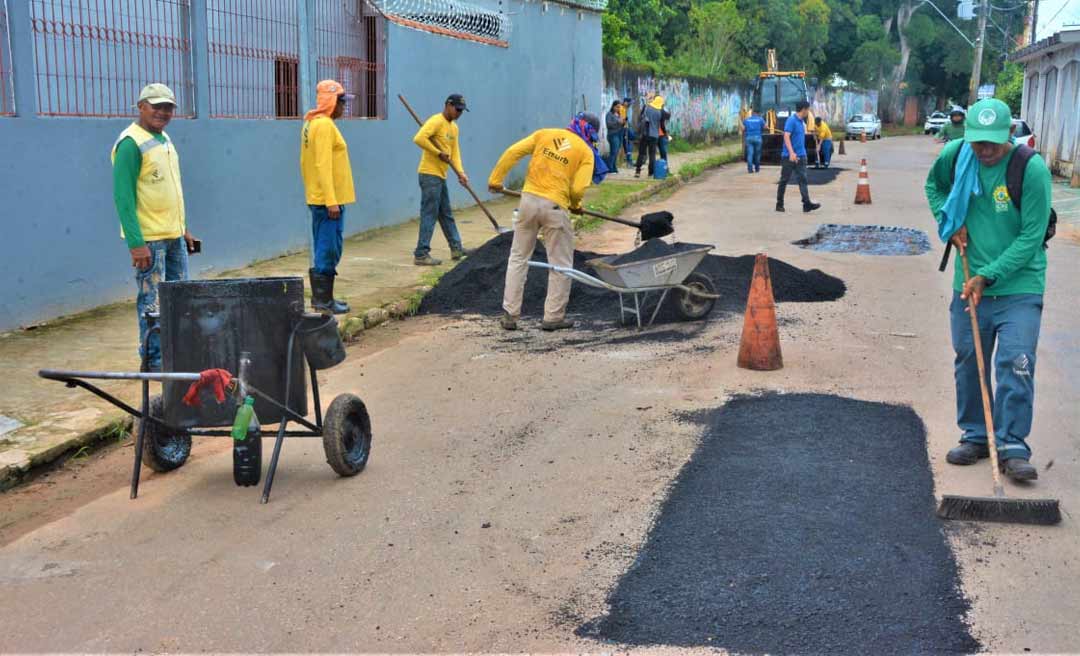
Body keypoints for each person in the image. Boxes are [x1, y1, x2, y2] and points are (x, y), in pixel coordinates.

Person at [924, 98, 1053, 482]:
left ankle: (1012, 445)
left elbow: (1032, 236)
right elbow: (934, 187)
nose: (983, 151)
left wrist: (990, 275)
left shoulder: (1031, 170)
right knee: (969, 360)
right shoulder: (956, 154)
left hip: (1019, 286)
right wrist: (951, 223)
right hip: (969, 282)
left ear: (1010, 134)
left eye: (991, 144)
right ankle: (977, 436)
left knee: (1015, 362)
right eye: (977, 142)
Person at [488, 113, 606, 332]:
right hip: (554, 207)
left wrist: (496, 180)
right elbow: (578, 188)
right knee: (559, 263)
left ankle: (510, 315)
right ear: (592, 132)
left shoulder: (545, 134)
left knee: (518, 258)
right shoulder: (585, 151)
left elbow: (512, 152)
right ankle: (553, 317)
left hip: (528, 202)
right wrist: (575, 203)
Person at [111, 83, 199, 372]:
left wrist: (183, 228)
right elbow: (123, 198)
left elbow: (171, 190)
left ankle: (175, 356)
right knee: (153, 305)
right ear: (141, 107)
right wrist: (136, 243)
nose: (162, 112)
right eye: (156, 106)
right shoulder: (130, 144)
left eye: (168, 108)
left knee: (180, 300)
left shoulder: (164, 139)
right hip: (150, 242)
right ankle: (154, 362)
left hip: (173, 237)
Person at [300, 79, 356, 314]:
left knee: (328, 247)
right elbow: (322, 164)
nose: (344, 108)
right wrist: (331, 200)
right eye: (342, 102)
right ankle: (323, 301)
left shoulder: (312, 123)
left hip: (324, 199)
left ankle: (324, 298)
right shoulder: (323, 125)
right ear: (331, 101)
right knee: (328, 248)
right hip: (327, 202)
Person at [411, 94, 473, 266]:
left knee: (446, 214)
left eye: (462, 111)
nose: (459, 113)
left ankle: (456, 248)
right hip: (429, 174)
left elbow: (455, 152)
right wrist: (437, 153)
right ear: (448, 105)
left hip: (440, 175)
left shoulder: (454, 128)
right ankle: (421, 254)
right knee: (429, 214)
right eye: (457, 109)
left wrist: (461, 173)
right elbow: (419, 138)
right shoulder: (436, 121)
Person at [776, 100, 820, 213]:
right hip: (789, 156)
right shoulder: (791, 120)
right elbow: (786, 136)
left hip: (801, 155)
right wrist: (791, 153)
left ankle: (806, 204)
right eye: (808, 109)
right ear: (804, 109)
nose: (808, 111)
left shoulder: (801, 122)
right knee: (784, 180)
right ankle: (779, 204)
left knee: (803, 180)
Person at [635, 95, 668, 178]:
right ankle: (650, 173)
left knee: (641, 153)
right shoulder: (660, 112)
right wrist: (665, 133)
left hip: (645, 134)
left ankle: (637, 171)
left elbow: (640, 118)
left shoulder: (647, 107)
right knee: (652, 155)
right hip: (654, 136)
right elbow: (662, 125)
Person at [742, 107, 765, 173]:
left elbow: (743, 129)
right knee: (757, 154)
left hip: (749, 138)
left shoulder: (747, 120)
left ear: (752, 113)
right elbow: (765, 126)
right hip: (758, 138)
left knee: (750, 154)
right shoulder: (760, 119)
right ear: (757, 113)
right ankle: (757, 169)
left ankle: (750, 169)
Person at [605, 100, 623, 174]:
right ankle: (610, 168)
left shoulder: (618, 115)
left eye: (619, 107)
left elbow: (620, 124)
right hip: (612, 135)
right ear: (613, 106)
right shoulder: (609, 114)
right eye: (617, 107)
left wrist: (623, 122)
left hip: (619, 134)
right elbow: (609, 125)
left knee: (616, 152)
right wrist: (618, 122)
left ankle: (614, 167)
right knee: (613, 151)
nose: (618, 108)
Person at [621, 96, 634, 164]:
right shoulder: (622, 108)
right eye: (629, 103)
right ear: (625, 102)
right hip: (623, 128)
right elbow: (623, 120)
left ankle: (629, 156)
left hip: (627, 127)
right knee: (626, 142)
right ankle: (628, 158)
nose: (630, 105)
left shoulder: (626, 109)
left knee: (631, 139)